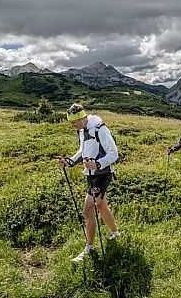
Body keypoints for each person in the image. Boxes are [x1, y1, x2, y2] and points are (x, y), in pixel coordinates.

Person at [58, 104, 120, 262]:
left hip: (102, 173)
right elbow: (83, 151)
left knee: (87, 210)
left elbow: (114, 153)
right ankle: (115, 234)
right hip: (91, 173)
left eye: (73, 122)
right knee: (101, 205)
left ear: (82, 118)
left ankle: (89, 248)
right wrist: (70, 162)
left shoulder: (100, 129)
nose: (71, 125)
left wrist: (98, 164)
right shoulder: (82, 130)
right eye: (70, 123)